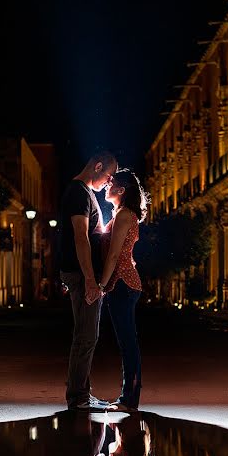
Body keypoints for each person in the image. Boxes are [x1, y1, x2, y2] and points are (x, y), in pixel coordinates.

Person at [58, 152, 118, 410]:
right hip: (83, 275)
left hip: (83, 274)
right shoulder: (79, 193)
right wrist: (91, 280)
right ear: (97, 166)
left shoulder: (85, 193)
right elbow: (80, 238)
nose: (109, 182)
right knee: (86, 336)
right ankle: (78, 398)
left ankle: (81, 393)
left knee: (87, 335)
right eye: (108, 176)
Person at [97, 169, 148, 413]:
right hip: (123, 283)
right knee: (126, 342)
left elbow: (115, 255)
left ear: (122, 190)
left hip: (123, 284)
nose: (107, 186)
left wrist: (101, 285)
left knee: (128, 343)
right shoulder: (121, 214)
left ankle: (129, 399)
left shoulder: (125, 215)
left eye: (111, 183)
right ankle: (128, 397)